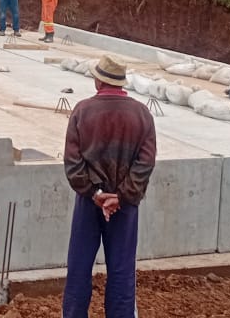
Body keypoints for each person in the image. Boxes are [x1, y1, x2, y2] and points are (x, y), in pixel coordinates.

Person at [62, 54, 156, 318]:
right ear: (121, 83)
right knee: (121, 272)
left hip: (89, 203)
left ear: (98, 80)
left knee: (79, 269)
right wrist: (122, 197)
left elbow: (72, 163)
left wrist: (96, 194)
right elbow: (145, 163)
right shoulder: (142, 114)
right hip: (124, 208)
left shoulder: (82, 111)